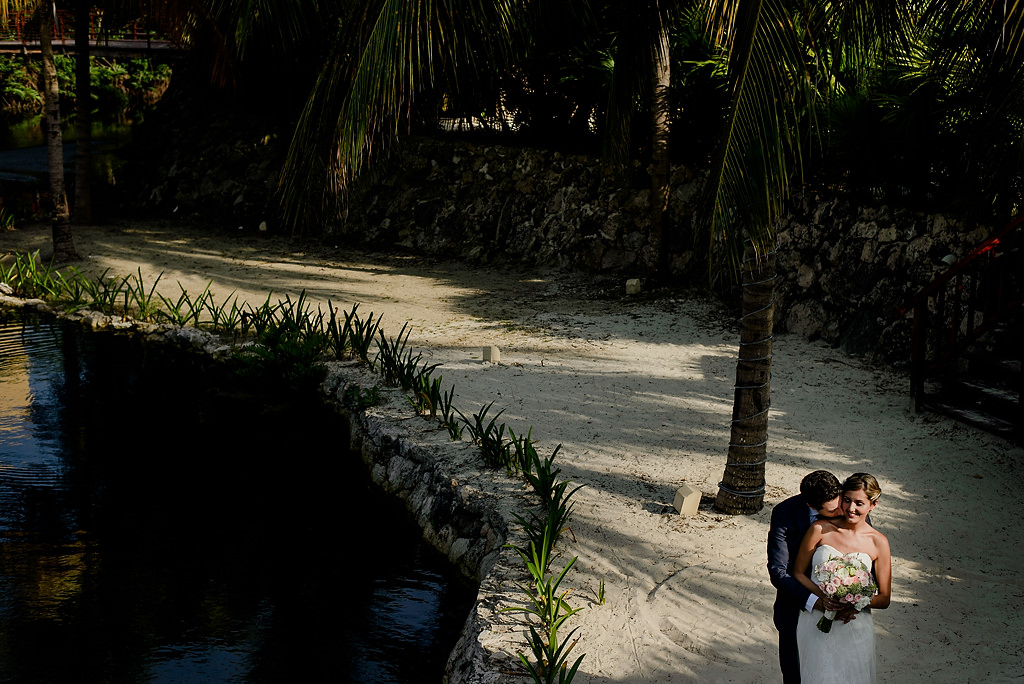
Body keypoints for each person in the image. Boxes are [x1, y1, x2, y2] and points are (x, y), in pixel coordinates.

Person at [794, 473, 892, 683]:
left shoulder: (879, 542)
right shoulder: (820, 529)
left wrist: (854, 604)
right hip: (816, 621)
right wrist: (823, 599)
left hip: (854, 624)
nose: (851, 508)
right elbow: (798, 573)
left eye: (859, 503)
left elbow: (884, 598)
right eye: (846, 500)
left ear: (873, 505)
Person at [767, 470, 845, 684]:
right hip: (796, 608)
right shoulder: (785, 513)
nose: (841, 511)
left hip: (841, 612)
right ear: (811, 506)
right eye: (832, 510)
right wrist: (814, 601)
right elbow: (778, 571)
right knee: (794, 676)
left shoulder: (849, 505)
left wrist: (851, 599)